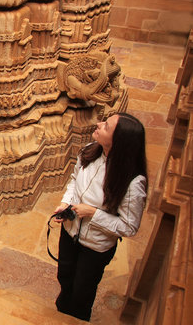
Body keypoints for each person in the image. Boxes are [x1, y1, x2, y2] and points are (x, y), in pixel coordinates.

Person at [53, 112, 148, 321]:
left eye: (106, 126)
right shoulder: (90, 151)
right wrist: (65, 204)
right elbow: (74, 180)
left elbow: (129, 227)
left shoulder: (133, 183)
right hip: (70, 233)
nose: (99, 124)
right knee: (65, 276)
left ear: (119, 142)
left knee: (82, 291)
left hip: (95, 247)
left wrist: (93, 214)